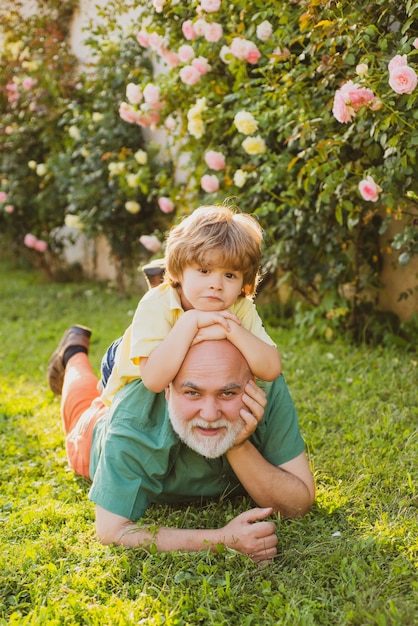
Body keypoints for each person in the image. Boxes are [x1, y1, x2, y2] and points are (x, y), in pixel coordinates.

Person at [47, 325, 315, 564]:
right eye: (192, 392)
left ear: (252, 384)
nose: (210, 415)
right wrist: (221, 539)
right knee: (80, 399)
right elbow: (111, 530)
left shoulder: (268, 387)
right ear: (168, 389)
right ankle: (72, 353)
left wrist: (237, 444)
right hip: (95, 431)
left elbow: (298, 504)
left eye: (228, 393)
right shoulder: (132, 419)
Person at [98, 204, 282, 404]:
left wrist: (229, 330)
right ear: (178, 272)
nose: (216, 285)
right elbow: (153, 381)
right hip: (132, 368)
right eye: (204, 271)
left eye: (230, 275)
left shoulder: (239, 307)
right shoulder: (157, 304)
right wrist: (191, 320)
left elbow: (271, 369)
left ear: (243, 283)